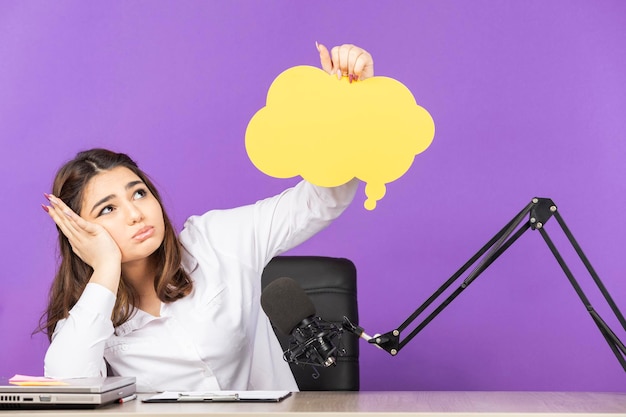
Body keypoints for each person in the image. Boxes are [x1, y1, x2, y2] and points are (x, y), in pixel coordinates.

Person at [40, 43, 374, 393]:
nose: (136, 213)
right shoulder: (88, 316)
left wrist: (349, 107)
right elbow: (70, 391)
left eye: (139, 193)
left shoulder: (215, 240)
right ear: (78, 230)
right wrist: (105, 269)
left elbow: (321, 202)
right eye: (108, 209)